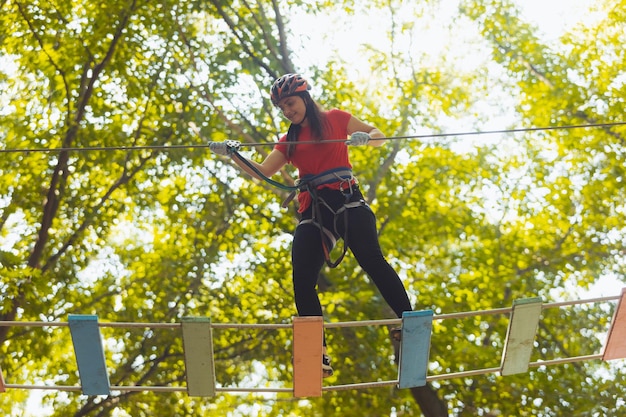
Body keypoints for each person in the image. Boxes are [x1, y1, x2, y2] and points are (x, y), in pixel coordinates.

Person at [209, 73, 413, 377]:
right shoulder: (288, 140)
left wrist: (366, 137)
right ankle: (318, 352)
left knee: (371, 260)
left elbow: (379, 135)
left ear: (304, 97)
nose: (287, 111)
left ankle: (408, 321)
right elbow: (263, 170)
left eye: (290, 103)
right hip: (314, 212)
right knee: (302, 278)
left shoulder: (336, 119)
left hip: (347, 202)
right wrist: (233, 154)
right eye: (282, 108)